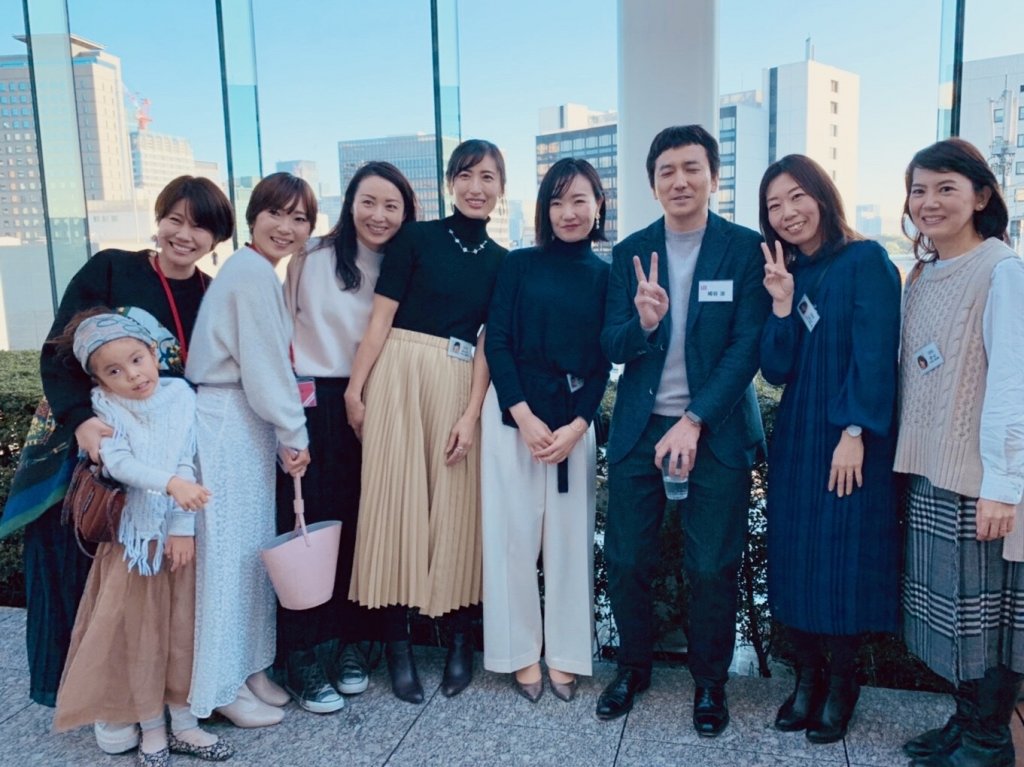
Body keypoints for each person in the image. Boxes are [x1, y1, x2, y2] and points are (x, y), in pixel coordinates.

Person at [0, 176, 232, 754]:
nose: (185, 234)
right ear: (159, 219)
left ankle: (151, 697)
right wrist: (80, 419)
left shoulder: (211, 293)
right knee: (83, 572)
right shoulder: (110, 268)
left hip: (166, 453)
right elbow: (59, 349)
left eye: (200, 226)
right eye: (175, 219)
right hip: (94, 440)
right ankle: (105, 700)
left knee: (151, 591)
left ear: (216, 237)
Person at [596, 125, 769, 735]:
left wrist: (695, 420)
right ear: (652, 184)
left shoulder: (744, 250)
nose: (679, 180)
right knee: (625, 557)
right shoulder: (630, 252)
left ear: (713, 177)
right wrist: (642, 324)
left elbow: (747, 348)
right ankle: (632, 668)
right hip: (641, 427)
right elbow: (611, 343)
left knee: (711, 564)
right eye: (666, 171)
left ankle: (710, 683)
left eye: (692, 168)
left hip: (715, 428)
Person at [345, 139, 508, 702]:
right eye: (465, 175)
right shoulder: (415, 238)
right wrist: (355, 389)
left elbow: (489, 342)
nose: (476, 187)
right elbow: (380, 321)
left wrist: (472, 412)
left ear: (501, 188)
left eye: (487, 177)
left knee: (459, 507)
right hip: (399, 373)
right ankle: (399, 647)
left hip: (460, 380)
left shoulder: (502, 261)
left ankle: (460, 640)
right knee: (394, 505)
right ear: (450, 182)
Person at [758, 154, 901, 743]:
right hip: (798, 436)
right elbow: (776, 368)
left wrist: (854, 432)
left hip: (848, 439)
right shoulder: (791, 273)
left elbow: (876, 354)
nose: (788, 213)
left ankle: (843, 685)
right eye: (774, 205)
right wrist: (781, 303)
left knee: (841, 561)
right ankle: (807, 678)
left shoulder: (866, 261)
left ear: (822, 195)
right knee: (795, 556)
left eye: (797, 196)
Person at [50, 311, 233, 766]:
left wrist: (182, 527)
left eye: (136, 359)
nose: (132, 375)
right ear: (98, 380)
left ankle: (185, 723)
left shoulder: (180, 396)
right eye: (114, 371)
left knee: (182, 632)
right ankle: (151, 727)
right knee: (141, 637)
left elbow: (188, 458)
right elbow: (118, 464)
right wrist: (170, 484)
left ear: (154, 353)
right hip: (134, 544)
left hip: (176, 541)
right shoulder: (105, 408)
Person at [895, 138, 1024, 767]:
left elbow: (1013, 384)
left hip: (981, 480)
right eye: (919, 189)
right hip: (932, 471)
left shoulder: (1003, 270)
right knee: (952, 621)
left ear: (980, 196)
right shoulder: (922, 275)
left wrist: (1003, 485)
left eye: (946, 188)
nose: (929, 202)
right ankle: (966, 722)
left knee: (985, 622)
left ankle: (988, 741)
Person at [278, 161, 417, 711]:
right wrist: (287, 420)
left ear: (406, 212)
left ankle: (353, 644)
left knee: (367, 523)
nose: (379, 215)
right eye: (368, 202)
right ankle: (303, 653)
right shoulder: (310, 258)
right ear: (350, 204)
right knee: (308, 524)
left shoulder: (408, 263)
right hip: (315, 402)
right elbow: (282, 337)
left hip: (382, 400)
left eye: (391, 205)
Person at [186, 172, 314, 727]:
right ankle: (219, 684)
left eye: (299, 218)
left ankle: (251, 667)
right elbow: (266, 369)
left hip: (243, 422)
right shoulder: (251, 274)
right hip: (228, 420)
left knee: (250, 551)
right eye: (275, 213)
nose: (286, 227)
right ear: (253, 217)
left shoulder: (256, 271)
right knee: (228, 559)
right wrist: (294, 434)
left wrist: (282, 431)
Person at [481, 158, 610, 703]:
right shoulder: (519, 264)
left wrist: (578, 425)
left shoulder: (607, 275)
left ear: (598, 205)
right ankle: (517, 654)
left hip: (572, 424)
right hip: (513, 418)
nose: (568, 212)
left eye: (579, 200)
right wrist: (524, 416)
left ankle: (566, 655)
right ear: (543, 210)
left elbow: (604, 360)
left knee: (569, 543)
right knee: (512, 540)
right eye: (556, 202)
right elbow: (498, 341)